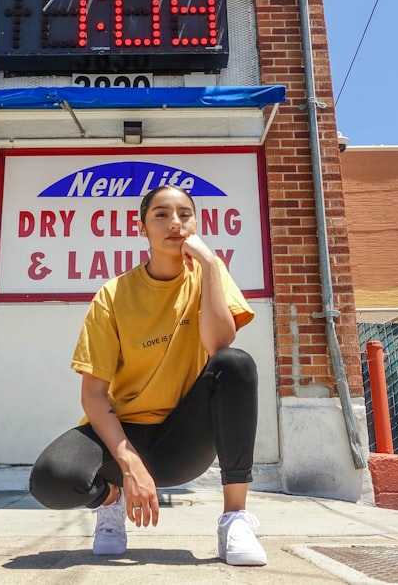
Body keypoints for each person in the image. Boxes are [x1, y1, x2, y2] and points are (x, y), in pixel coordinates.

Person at [29, 185, 267, 567]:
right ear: (142, 228)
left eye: (185, 214)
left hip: (181, 440)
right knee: (50, 478)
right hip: (123, 432)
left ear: (196, 223)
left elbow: (219, 345)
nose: (175, 223)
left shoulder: (209, 274)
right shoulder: (113, 294)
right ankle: (111, 501)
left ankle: (235, 518)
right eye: (161, 214)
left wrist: (208, 265)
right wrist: (128, 464)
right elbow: (93, 394)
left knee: (236, 363)